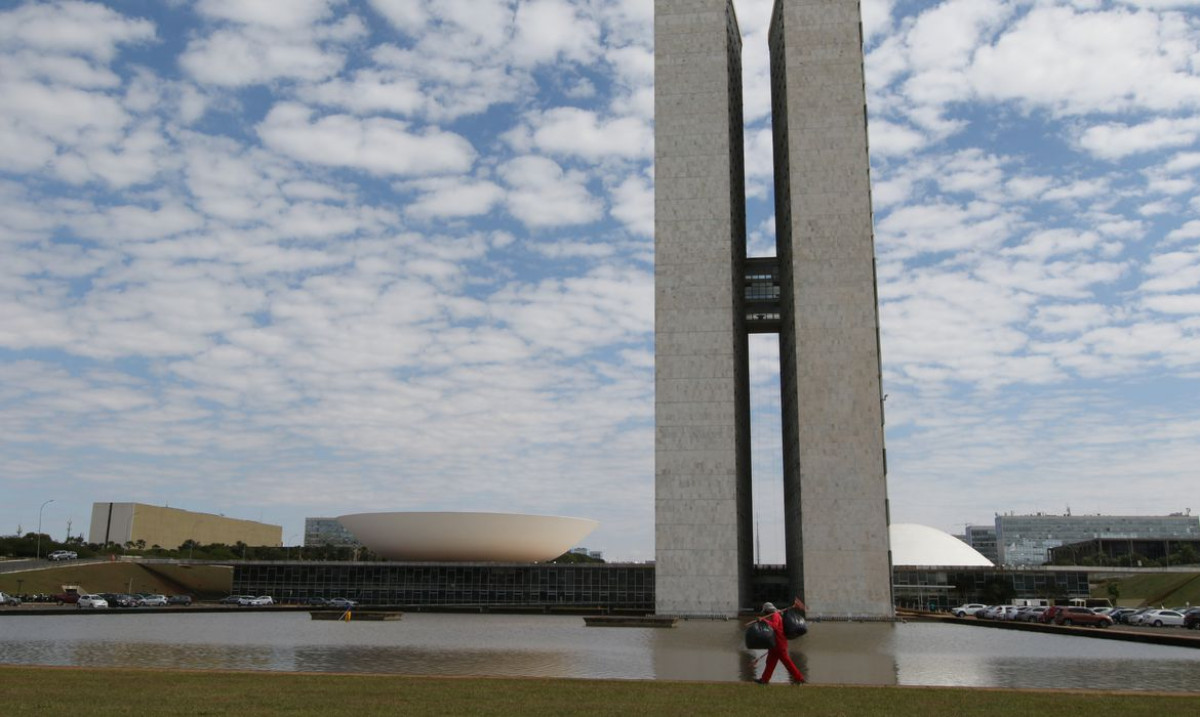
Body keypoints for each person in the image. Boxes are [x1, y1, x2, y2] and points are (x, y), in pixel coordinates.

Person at [752, 597, 806, 684]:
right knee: (770, 662)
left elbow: (775, 626)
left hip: (780, 644)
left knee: (787, 663)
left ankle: (799, 678)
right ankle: (764, 680)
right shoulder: (774, 615)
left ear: (768, 610)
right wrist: (761, 622)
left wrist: (764, 620)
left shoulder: (775, 615)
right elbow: (769, 628)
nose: (765, 613)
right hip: (774, 644)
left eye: (765, 611)